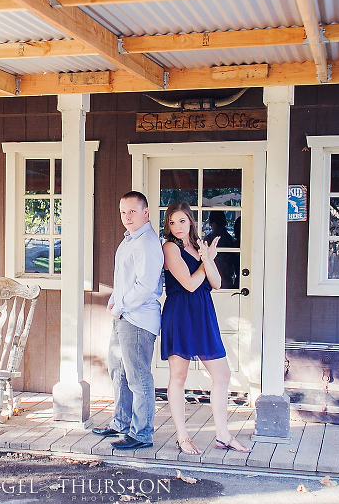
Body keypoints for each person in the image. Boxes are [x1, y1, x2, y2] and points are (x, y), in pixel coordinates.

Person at [160, 201, 252, 455]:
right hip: (180, 313)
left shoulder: (199, 246)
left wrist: (207, 258)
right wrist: (205, 260)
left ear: (190, 221)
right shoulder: (169, 247)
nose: (177, 226)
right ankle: (182, 436)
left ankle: (223, 435)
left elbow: (217, 282)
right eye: (172, 222)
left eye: (182, 220)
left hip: (202, 312)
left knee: (222, 374)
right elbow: (189, 284)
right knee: (178, 377)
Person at [92, 191, 164, 450]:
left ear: (146, 212)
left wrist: (119, 306)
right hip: (123, 314)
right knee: (118, 370)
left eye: (132, 211)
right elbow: (126, 281)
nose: (126, 217)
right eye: (123, 212)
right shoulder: (129, 240)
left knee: (137, 376)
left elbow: (145, 286)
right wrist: (115, 301)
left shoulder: (147, 242)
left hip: (138, 319)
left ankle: (141, 433)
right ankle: (121, 423)